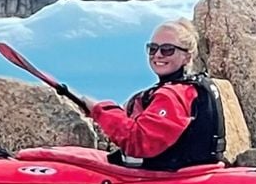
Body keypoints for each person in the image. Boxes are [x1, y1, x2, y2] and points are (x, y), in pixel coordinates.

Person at [87, 19, 224, 170]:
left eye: (167, 49)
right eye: (153, 48)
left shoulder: (174, 95)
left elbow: (139, 142)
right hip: (191, 171)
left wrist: (100, 110)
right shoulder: (190, 87)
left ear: (187, 56)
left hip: (174, 178)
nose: (157, 55)